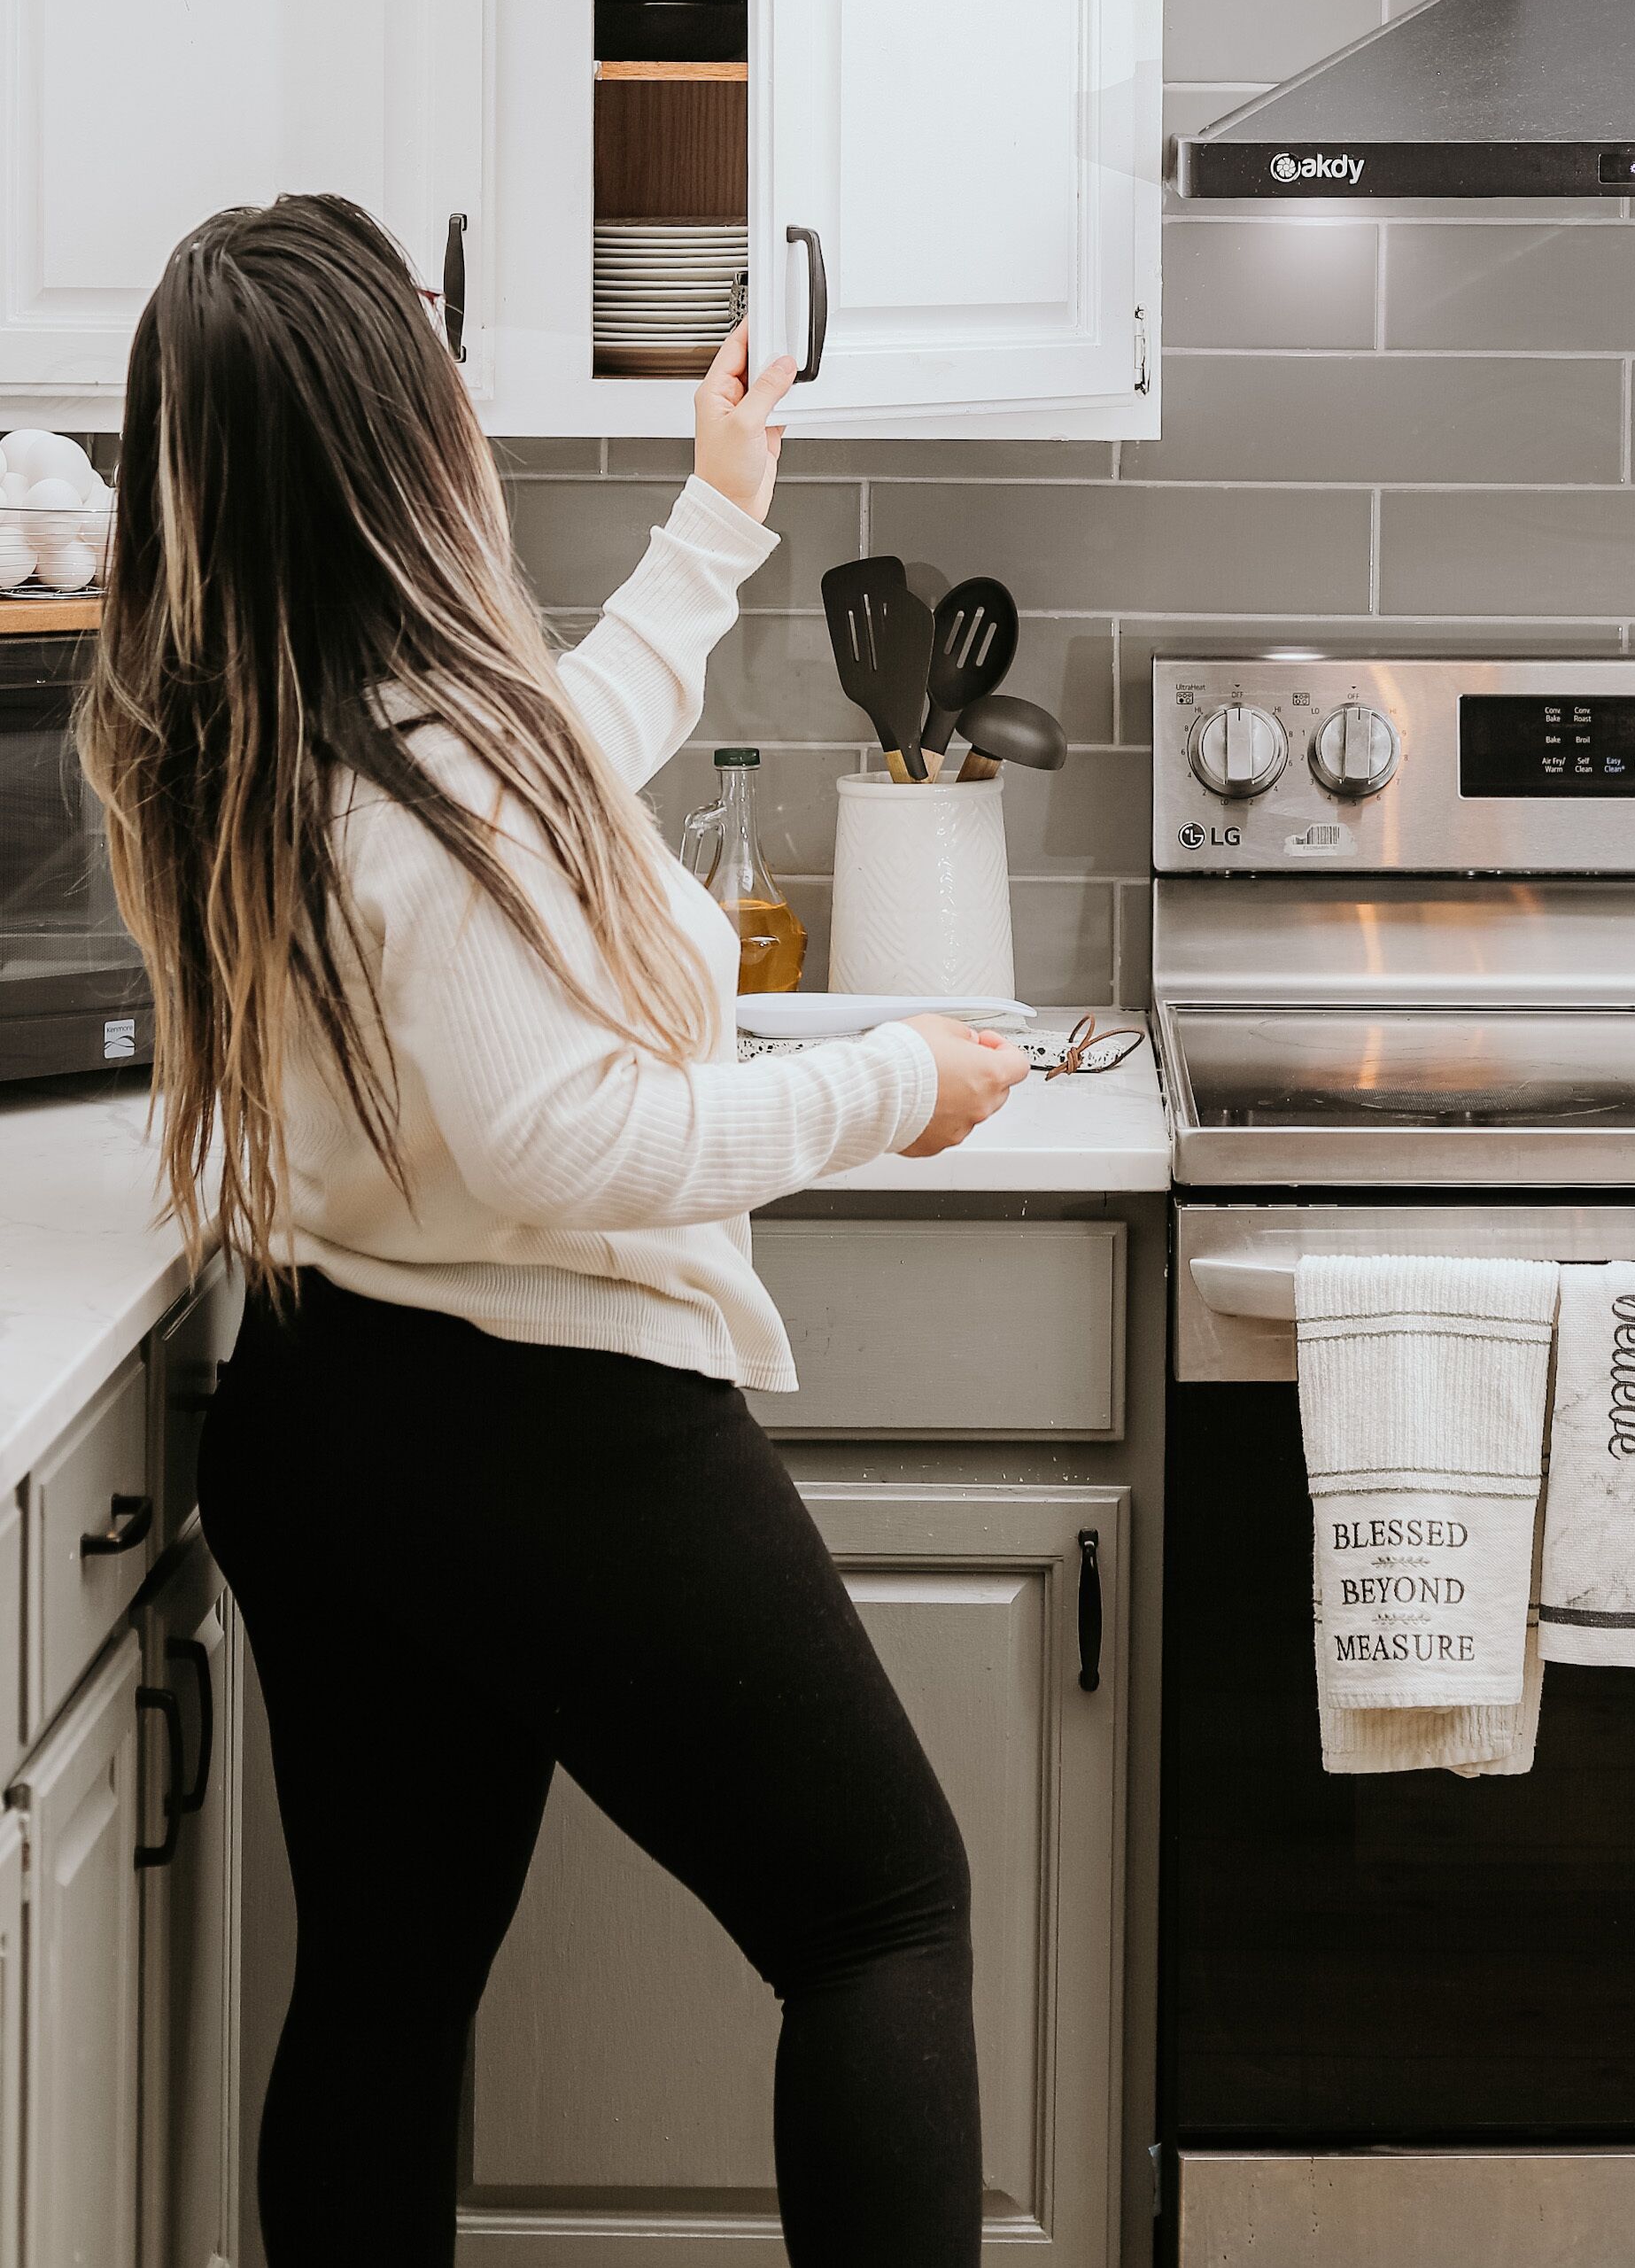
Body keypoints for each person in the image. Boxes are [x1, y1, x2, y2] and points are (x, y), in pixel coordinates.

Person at [80, 193, 1027, 2266]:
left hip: (328, 1417)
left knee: (385, 1987)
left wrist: (716, 516)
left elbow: (550, 768)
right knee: (882, 1911)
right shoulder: (426, 759)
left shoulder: (250, 735)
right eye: (436, 351)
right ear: (390, 441)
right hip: (553, 1437)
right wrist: (900, 1087)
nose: (468, 383)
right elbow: (567, 1133)